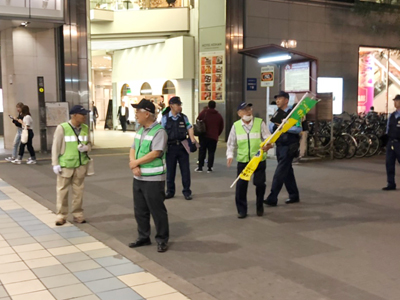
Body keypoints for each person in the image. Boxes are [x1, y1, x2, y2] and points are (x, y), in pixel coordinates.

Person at [128, 99, 169, 253]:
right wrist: (134, 164)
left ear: (147, 114)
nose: (136, 114)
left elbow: (156, 153)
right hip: (138, 177)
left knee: (157, 210)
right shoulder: (140, 130)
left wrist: (136, 162)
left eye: (138, 111)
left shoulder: (159, 132)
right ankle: (143, 237)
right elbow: (133, 148)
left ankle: (162, 239)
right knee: (140, 210)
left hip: (153, 178)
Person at [227, 102, 272, 218]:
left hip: (258, 159)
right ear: (239, 113)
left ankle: (259, 205)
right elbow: (231, 143)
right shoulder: (236, 126)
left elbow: (268, 137)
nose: (248, 112)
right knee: (241, 186)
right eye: (245, 110)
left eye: (249, 109)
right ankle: (242, 210)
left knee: (260, 184)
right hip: (243, 160)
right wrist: (230, 155)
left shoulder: (260, 123)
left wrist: (268, 144)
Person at [51, 105, 92, 225]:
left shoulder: (85, 128)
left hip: (80, 165)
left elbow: (89, 143)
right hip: (65, 165)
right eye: (82, 114)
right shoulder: (62, 128)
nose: (85, 117)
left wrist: (86, 148)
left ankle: (78, 214)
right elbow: (55, 147)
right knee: (62, 191)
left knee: (78, 191)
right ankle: (61, 215)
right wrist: (55, 164)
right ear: (74, 115)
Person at [264, 91, 302, 206]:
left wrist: (285, 127)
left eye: (280, 98)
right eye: (277, 99)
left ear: (286, 100)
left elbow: (298, 129)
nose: (277, 100)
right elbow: (271, 127)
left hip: (289, 146)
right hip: (280, 146)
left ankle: (272, 197)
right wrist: (275, 127)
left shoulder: (293, 114)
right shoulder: (277, 113)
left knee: (280, 172)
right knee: (287, 171)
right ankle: (294, 195)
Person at [161, 96, 196, 200]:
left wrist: (192, 139)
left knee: (185, 170)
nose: (180, 107)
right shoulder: (165, 118)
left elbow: (189, 128)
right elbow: (162, 132)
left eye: (180, 104)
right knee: (170, 171)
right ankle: (170, 191)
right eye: (178, 105)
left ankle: (187, 191)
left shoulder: (183, 117)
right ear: (171, 106)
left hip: (182, 147)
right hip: (170, 147)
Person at [195, 100, 224, 173]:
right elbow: (221, 126)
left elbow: (198, 119)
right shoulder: (219, 115)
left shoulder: (204, 112)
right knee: (211, 152)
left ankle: (200, 167)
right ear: (215, 106)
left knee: (202, 151)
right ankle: (210, 168)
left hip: (204, 136)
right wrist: (217, 134)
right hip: (213, 137)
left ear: (208, 105)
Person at [382, 95, 400, 191]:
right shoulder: (392, 115)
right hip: (391, 142)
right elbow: (388, 129)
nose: (395, 102)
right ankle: (391, 183)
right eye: (395, 101)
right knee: (389, 163)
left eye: (397, 101)